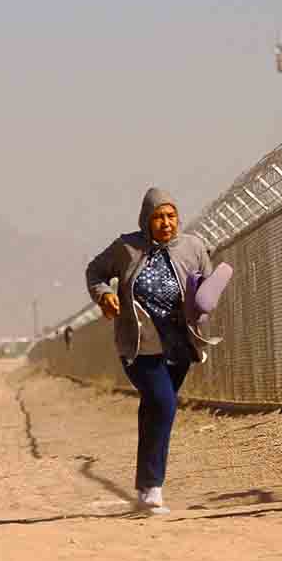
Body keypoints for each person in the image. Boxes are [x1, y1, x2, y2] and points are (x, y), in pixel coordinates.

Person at [84, 188, 222, 515]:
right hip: (138, 344)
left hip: (179, 343)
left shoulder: (193, 247)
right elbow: (95, 271)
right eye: (158, 217)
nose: (165, 223)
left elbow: (207, 287)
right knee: (164, 403)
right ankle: (154, 486)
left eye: (171, 216)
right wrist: (104, 295)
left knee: (155, 410)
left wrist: (204, 301)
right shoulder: (126, 248)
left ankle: (145, 486)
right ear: (146, 220)